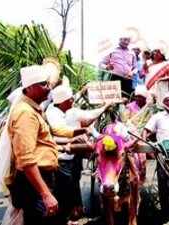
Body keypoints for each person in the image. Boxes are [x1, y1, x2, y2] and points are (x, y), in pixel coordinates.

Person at [45, 85, 109, 223]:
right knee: (63, 190)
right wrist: (77, 136)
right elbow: (58, 131)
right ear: (62, 101)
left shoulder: (70, 110)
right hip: (59, 158)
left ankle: (71, 213)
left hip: (73, 156)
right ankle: (62, 217)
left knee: (73, 184)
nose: (72, 101)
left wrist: (105, 107)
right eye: (69, 99)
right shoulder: (52, 113)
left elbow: (90, 116)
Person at [6, 65, 59, 225]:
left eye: (48, 83)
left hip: (37, 180)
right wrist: (45, 194)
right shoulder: (25, 114)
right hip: (33, 183)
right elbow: (26, 159)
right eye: (44, 84)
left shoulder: (32, 110)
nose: (48, 88)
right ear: (29, 87)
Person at [142, 92, 169, 222]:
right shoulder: (158, 116)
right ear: (163, 103)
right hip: (162, 153)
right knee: (163, 183)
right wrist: (147, 147)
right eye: (166, 101)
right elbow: (146, 131)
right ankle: (165, 213)